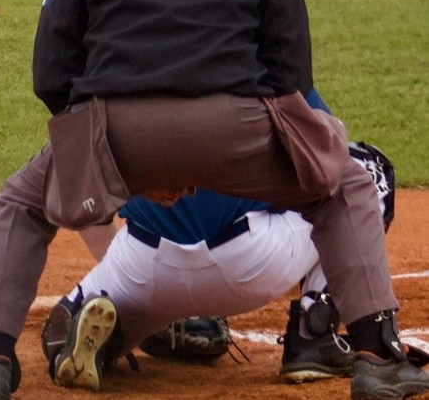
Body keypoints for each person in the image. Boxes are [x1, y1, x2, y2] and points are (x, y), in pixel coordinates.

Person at [0, 0, 428, 400]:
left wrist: (98, 149)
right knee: (346, 182)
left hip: (120, 131)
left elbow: (52, 69)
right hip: (234, 130)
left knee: (21, 204)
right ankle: (377, 355)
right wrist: (231, 144)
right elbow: (291, 74)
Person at [39, 136, 398, 392]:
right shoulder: (249, 50)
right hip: (254, 260)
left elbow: (77, 187)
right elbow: (318, 153)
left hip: (141, 261)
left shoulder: (118, 65)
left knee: (64, 328)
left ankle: (108, 333)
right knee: (367, 170)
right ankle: (313, 332)